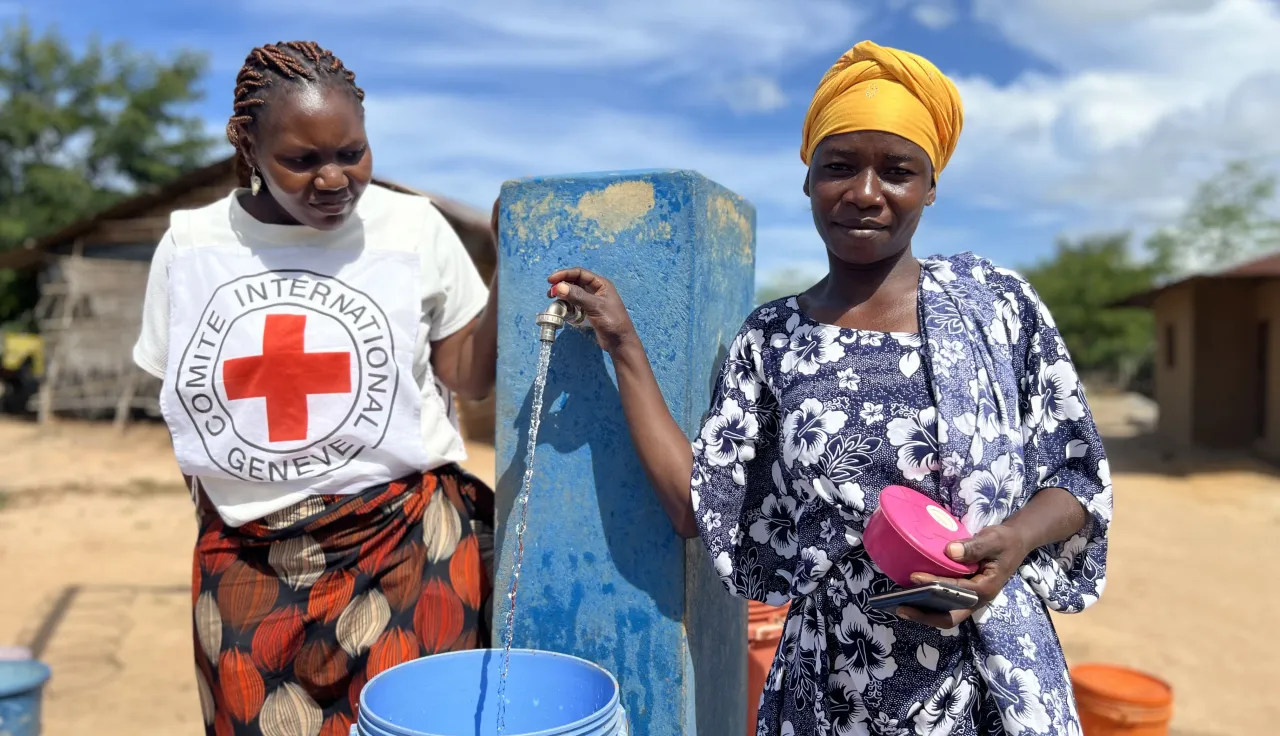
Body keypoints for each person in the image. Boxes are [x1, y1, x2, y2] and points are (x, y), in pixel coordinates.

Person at [548, 41, 1110, 736]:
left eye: (898, 170)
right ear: (809, 180)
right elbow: (701, 505)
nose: (866, 192)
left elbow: (1076, 477)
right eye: (839, 166)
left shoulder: (993, 305)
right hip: (837, 685)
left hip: (994, 679)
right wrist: (623, 345)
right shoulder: (774, 339)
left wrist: (1014, 541)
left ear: (931, 186)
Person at [132, 41, 498, 736]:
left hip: (404, 544)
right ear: (249, 147)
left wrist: (509, 266)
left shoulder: (412, 227)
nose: (333, 179)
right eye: (300, 161)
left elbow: (466, 375)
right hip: (248, 554)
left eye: (352, 154)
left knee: (421, 722)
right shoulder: (192, 245)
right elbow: (184, 405)